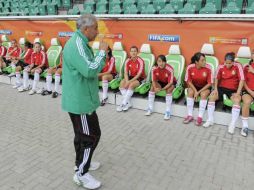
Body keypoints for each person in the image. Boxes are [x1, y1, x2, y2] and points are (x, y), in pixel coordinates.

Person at [62, 14, 108, 190]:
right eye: (95, 28)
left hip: (81, 100)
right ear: (86, 29)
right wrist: (102, 52)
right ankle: (81, 173)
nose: (97, 31)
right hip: (80, 103)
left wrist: (100, 56)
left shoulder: (79, 43)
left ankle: (80, 162)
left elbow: (88, 67)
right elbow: (89, 70)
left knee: (84, 135)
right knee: (90, 136)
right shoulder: (77, 45)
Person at [203, 52, 244, 135]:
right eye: (226, 63)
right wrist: (215, 89)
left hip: (233, 89)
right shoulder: (221, 66)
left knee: (237, 100)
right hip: (222, 88)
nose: (228, 65)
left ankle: (232, 124)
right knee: (212, 97)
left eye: (230, 63)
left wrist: (238, 93)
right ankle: (210, 119)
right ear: (224, 61)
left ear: (233, 62)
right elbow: (216, 78)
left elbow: (242, 80)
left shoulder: (238, 66)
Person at [183, 52, 213, 126]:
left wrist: (198, 92)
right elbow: (188, 81)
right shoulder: (190, 67)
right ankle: (190, 115)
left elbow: (210, 83)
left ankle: (200, 117)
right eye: (202, 60)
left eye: (205, 60)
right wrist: (195, 91)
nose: (204, 62)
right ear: (196, 62)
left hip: (205, 87)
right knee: (190, 92)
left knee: (203, 94)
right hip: (194, 86)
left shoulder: (208, 67)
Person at [145, 55, 176, 120]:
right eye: (159, 61)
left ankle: (168, 111)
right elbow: (153, 80)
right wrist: (155, 88)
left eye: (163, 61)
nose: (161, 63)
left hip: (170, 82)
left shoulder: (170, 69)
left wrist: (162, 89)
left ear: (165, 62)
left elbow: (170, 83)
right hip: (161, 81)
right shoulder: (154, 68)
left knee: (168, 90)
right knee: (152, 88)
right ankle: (150, 108)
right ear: (157, 62)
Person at [116, 46, 145, 112]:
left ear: (137, 52)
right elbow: (126, 73)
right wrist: (126, 81)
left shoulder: (140, 61)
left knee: (131, 84)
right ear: (130, 52)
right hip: (131, 76)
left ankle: (123, 104)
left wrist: (129, 82)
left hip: (140, 78)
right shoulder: (128, 60)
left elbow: (139, 75)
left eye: (135, 51)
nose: (133, 52)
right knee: (121, 84)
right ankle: (128, 103)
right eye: (132, 51)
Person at [239, 52, 254, 137]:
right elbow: (243, 81)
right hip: (248, 90)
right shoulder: (246, 67)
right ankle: (245, 126)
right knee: (247, 101)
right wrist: (250, 91)